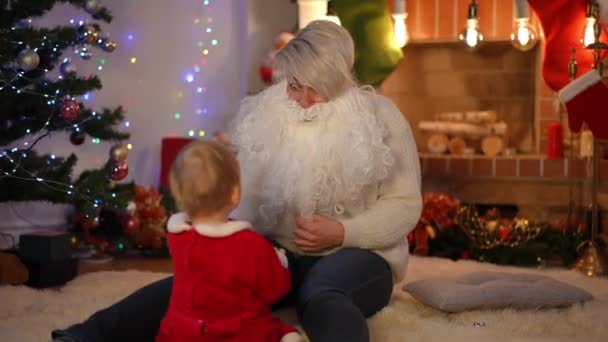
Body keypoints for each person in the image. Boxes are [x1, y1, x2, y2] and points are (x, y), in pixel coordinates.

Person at [52, 20, 422, 342]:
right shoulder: (270, 112)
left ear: (337, 77)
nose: (301, 98)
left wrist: (342, 232)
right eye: (294, 84)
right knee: (195, 286)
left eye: (313, 86)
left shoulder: (382, 118)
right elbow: (244, 198)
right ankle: (84, 335)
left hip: (359, 257)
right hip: (279, 256)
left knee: (322, 293)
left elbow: (405, 206)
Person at [155, 140, 302, 342]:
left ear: (179, 195)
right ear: (234, 194)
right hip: (235, 333)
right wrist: (279, 261)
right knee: (280, 331)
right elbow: (275, 290)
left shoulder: (178, 235)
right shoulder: (251, 245)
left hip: (180, 332)